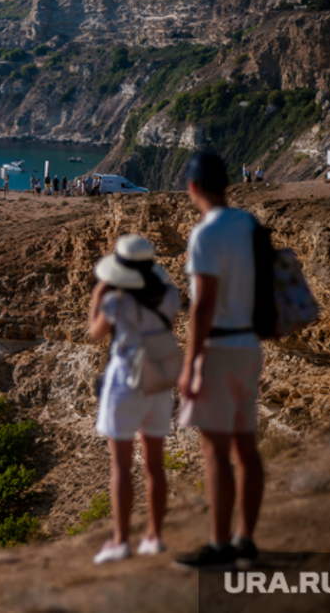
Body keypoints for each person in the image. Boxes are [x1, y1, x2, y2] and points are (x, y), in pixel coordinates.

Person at [174, 152, 265, 570]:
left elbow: (202, 305)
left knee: (215, 453)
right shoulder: (248, 225)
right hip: (249, 344)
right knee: (247, 448)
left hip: (219, 349)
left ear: (193, 188)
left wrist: (192, 364)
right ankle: (246, 539)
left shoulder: (205, 234)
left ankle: (219, 546)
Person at [88, 235, 180, 564]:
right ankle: (154, 536)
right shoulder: (169, 294)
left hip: (125, 382)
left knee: (122, 466)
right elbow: (167, 327)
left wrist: (99, 293)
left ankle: (121, 540)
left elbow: (96, 332)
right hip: (157, 380)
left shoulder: (116, 300)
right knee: (155, 465)